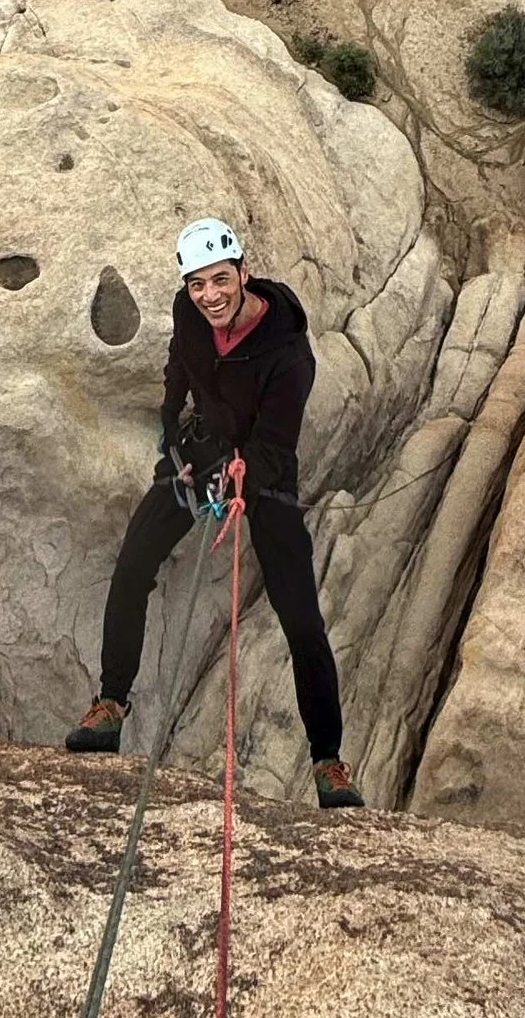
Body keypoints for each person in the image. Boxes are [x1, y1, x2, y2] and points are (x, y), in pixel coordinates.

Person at [65, 215, 363, 811]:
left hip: (264, 469)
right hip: (199, 454)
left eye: (220, 280)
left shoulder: (288, 352)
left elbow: (276, 442)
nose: (210, 295)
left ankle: (328, 762)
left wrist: (240, 475)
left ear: (243, 274)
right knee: (132, 566)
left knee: (299, 615)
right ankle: (111, 706)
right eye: (198, 283)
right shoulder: (190, 313)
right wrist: (172, 442)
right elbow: (180, 371)